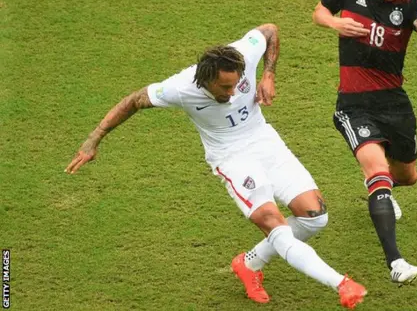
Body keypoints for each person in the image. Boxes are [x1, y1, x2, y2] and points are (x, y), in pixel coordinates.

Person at [65, 24, 367, 309]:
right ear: (204, 80)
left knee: (315, 218)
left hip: (265, 142)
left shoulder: (243, 53)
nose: (233, 93)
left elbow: (270, 30)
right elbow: (132, 101)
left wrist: (269, 74)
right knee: (274, 224)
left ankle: (248, 264)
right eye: (225, 87)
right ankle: (340, 283)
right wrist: (94, 139)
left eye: (237, 84)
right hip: (232, 158)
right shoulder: (179, 88)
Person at [312, 0, 417, 284]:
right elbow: (319, 11)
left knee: (408, 176)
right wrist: (335, 22)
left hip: (394, 104)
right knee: (378, 170)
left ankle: (381, 189)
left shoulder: (411, 1)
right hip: (354, 105)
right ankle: (396, 263)